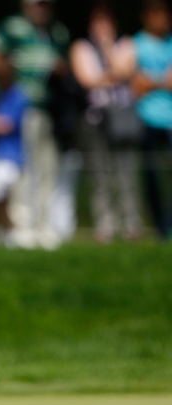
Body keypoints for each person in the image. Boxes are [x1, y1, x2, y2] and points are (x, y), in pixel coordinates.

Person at [0, 0, 70, 250]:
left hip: (49, 108)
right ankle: (21, 226)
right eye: (36, 4)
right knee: (25, 169)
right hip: (22, 106)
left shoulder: (57, 32)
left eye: (45, 4)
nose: (41, 9)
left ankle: (44, 224)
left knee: (46, 167)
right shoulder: (14, 27)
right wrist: (5, 72)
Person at [71, 3, 143, 243]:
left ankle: (132, 225)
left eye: (106, 23)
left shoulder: (125, 44)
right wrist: (113, 75)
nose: (101, 28)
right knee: (100, 176)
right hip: (96, 120)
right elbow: (86, 80)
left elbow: (126, 71)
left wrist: (108, 49)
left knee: (127, 174)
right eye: (97, 23)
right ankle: (106, 226)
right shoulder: (81, 47)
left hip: (122, 118)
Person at [132, 0, 172, 239]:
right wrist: (162, 81)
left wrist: (150, 81)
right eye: (157, 13)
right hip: (145, 118)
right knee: (152, 177)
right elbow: (135, 84)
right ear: (146, 15)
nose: (162, 17)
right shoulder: (135, 44)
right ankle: (160, 228)